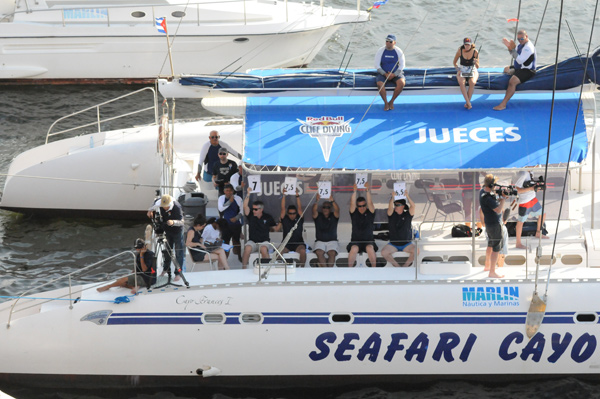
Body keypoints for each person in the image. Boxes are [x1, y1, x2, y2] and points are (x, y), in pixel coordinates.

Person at [493, 30, 537, 111]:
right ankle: (509, 74)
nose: (520, 40)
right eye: (518, 39)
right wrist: (510, 48)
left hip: (528, 70)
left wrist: (512, 50)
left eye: (522, 39)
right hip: (519, 68)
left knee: (512, 82)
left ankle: (503, 104)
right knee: (506, 68)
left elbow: (520, 60)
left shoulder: (528, 47)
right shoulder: (520, 45)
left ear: (526, 37)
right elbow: (514, 54)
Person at [147, 194, 185, 281]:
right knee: (167, 250)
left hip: (177, 231)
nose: (164, 208)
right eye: (163, 207)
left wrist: (173, 222)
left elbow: (182, 222)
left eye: (166, 207)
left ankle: (178, 273)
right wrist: (150, 210)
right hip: (167, 230)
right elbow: (154, 201)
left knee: (178, 252)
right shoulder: (160, 202)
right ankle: (166, 269)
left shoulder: (177, 207)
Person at [242, 187, 278, 268]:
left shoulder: (268, 217)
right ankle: (243, 269)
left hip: (264, 241)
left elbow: (276, 229)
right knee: (247, 248)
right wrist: (248, 193)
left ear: (261, 209)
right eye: (253, 209)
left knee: (263, 249)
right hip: (252, 241)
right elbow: (245, 206)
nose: (253, 211)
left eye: (256, 209)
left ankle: (268, 269)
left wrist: (281, 221)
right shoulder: (251, 215)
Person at [479, 174, 506, 278]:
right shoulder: (488, 199)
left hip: (489, 223)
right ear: (491, 185)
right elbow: (498, 210)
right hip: (494, 225)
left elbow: (493, 202)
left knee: (490, 244)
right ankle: (492, 272)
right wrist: (503, 199)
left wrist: (498, 196)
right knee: (496, 248)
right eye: (494, 185)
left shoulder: (483, 192)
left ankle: (487, 266)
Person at [381, 193, 417, 267]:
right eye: (395, 205)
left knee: (417, 250)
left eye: (398, 205)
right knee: (384, 252)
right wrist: (393, 197)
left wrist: (407, 196)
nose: (395, 207)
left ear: (403, 206)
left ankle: (405, 266)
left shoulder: (407, 215)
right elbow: (390, 208)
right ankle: (397, 266)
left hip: (406, 244)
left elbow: (413, 206)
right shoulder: (391, 214)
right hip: (394, 244)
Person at [514, 169, 548, 249]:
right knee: (520, 222)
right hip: (525, 202)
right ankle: (518, 243)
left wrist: (537, 187)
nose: (535, 166)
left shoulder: (531, 172)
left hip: (533, 199)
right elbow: (517, 189)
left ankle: (538, 233)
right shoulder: (523, 173)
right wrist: (531, 189)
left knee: (543, 214)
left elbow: (530, 185)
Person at [347, 182, 377, 267]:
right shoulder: (354, 213)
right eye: (360, 206)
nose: (362, 207)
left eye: (364, 205)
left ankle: (374, 270)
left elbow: (370, 203)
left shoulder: (370, 212)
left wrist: (367, 190)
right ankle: (349, 270)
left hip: (368, 240)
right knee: (354, 249)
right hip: (356, 241)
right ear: (357, 206)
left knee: (370, 248)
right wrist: (354, 191)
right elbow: (352, 203)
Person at [374, 34, 406, 111]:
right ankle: (385, 102)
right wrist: (385, 74)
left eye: (390, 42)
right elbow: (377, 65)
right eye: (387, 41)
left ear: (394, 42)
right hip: (383, 73)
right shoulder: (381, 50)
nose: (388, 43)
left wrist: (394, 74)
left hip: (395, 73)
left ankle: (391, 101)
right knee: (379, 84)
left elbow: (402, 65)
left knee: (401, 83)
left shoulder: (398, 51)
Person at [279, 188, 306, 266]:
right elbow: (282, 208)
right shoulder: (285, 218)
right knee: (278, 252)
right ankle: (279, 269)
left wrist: (297, 195)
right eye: (290, 213)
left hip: (298, 243)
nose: (292, 215)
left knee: (303, 251)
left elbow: (300, 208)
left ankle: (302, 268)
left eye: (294, 213)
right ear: (288, 214)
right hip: (286, 244)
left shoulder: (299, 219)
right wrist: (284, 195)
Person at [312, 193, 340, 267]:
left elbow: (337, 210)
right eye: (324, 207)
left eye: (327, 207)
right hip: (320, 241)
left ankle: (329, 273)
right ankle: (326, 272)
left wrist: (332, 201)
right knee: (319, 252)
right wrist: (317, 201)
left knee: (332, 253)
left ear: (330, 208)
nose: (325, 209)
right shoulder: (318, 216)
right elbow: (314, 210)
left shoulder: (334, 216)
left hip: (332, 241)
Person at [217, 183, 243, 262]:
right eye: (227, 191)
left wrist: (236, 218)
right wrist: (229, 202)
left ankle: (239, 257)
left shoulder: (238, 198)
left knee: (236, 241)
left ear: (233, 191)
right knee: (225, 242)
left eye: (230, 191)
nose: (229, 192)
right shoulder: (221, 198)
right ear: (224, 191)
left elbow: (242, 210)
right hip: (225, 224)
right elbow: (221, 208)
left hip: (236, 224)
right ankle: (224, 259)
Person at [453, 37, 480, 110]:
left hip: (472, 70)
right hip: (463, 69)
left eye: (468, 45)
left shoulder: (475, 52)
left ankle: (468, 103)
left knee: (472, 82)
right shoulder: (460, 51)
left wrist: (475, 62)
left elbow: (477, 66)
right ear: (463, 45)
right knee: (462, 82)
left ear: (471, 45)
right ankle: (468, 103)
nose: (467, 46)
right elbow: (454, 62)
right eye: (465, 45)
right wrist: (458, 69)